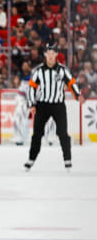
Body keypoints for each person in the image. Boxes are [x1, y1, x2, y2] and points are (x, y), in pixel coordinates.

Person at [24, 42, 85, 171]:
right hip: (42, 105)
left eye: (53, 53)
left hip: (58, 106)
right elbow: (31, 88)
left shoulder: (62, 70)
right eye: (48, 53)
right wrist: (32, 104)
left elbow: (71, 83)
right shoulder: (38, 70)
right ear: (45, 54)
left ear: (56, 54)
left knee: (63, 133)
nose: (50, 56)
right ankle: (31, 159)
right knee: (37, 134)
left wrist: (78, 95)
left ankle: (67, 159)